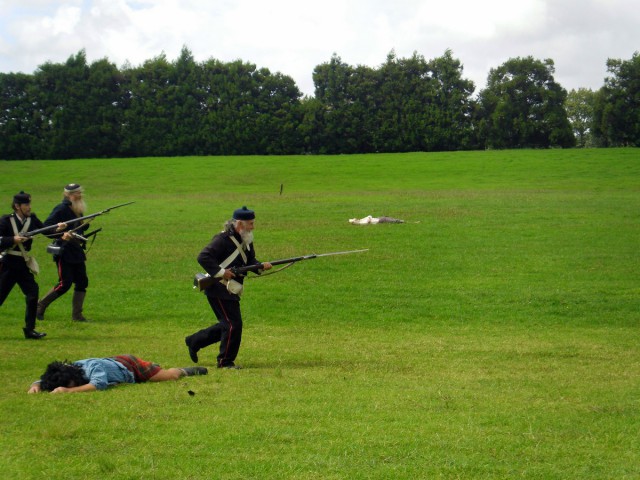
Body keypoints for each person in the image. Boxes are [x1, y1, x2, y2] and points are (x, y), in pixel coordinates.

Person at [185, 206, 272, 369]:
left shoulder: (246, 239)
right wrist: (221, 272)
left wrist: (260, 266)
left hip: (231, 288)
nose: (253, 227)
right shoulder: (222, 239)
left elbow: (249, 261)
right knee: (233, 325)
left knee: (228, 325)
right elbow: (203, 257)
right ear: (240, 224)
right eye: (250, 223)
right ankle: (225, 362)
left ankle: (194, 341)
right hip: (219, 288)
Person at [0, 191, 65, 339]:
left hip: (22, 265)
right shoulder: (5, 221)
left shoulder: (32, 219)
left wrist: (59, 230)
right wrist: (12, 240)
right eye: (26, 204)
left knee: (32, 294)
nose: (29, 207)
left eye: (29, 204)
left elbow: (47, 232)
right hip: (8, 264)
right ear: (17, 206)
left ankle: (30, 329)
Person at [37, 183, 92, 322]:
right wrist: (58, 231)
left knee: (82, 282)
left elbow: (79, 228)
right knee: (64, 283)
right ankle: (40, 305)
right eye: (76, 193)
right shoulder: (61, 209)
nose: (79, 195)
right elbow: (46, 229)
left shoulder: (77, 208)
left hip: (77, 250)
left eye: (80, 192)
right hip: (65, 251)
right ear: (68, 195)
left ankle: (77, 315)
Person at [27, 354, 208, 393]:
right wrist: (36, 385)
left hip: (130, 366)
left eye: (70, 385)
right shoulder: (67, 371)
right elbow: (48, 378)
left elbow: (99, 384)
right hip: (116, 366)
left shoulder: (91, 368)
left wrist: (68, 392)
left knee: (170, 377)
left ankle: (186, 370)